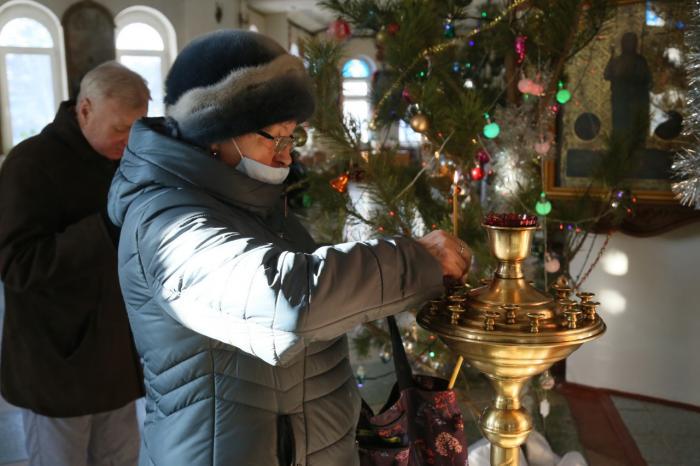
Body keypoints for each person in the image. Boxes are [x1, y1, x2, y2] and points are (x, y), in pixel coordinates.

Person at [107, 30, 471, 466]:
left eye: (291, 138)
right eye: (273, 138)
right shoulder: (165, 220)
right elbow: (286, 302)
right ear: (213, 133)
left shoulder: (255, 207)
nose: (285, 157)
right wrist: (415, 260)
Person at [0, 61, 149, 466]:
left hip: (115, 360)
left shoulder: (126, 162)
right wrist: (103, 228)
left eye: (137, 128)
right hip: (57, 365)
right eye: (120, 128)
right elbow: (16, 265)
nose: (128, 140)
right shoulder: (29, 164)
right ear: (85, 109)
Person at [604, 32, 652, 145]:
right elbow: (607, 75)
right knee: (621, 132)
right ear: (623, 44)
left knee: (636, 134)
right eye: (627, 42)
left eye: (632, 42)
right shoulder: (617, 61)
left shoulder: (640, 61)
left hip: (637, 103)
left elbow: (647, 79)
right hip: (621, 104)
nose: (629, 44)